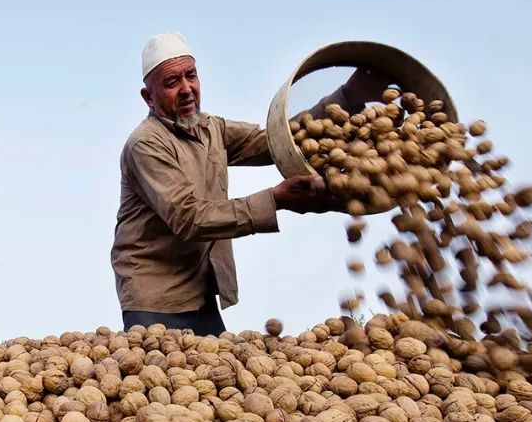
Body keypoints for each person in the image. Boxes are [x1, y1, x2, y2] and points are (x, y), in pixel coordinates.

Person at [111, 32, 390, 336]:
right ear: (148, 97)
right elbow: (188, 217)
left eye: (191, 76)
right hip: (154, 297)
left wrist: (348, 97)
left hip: (199, 291)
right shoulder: (147, 144)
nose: (187, 89)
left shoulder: (210, 128)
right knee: (167, 378)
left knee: (213, 376)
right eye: (171, 82)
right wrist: (276, 200)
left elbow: (274, 140)